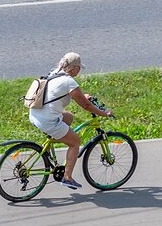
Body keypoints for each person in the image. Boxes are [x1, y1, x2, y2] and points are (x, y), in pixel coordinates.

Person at [28, 52, 112, 190]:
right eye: (79, 68)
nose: (79, 71)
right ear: (74, 68)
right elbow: (86, 105)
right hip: (47, 120)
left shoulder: (54, 73)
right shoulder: (69, 81)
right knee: (75, 142)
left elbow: (59, 93)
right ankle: (67, 177)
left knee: (69, 117)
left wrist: (82, 96)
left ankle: (50, 145)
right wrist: (103, 113)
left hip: (35, 114)